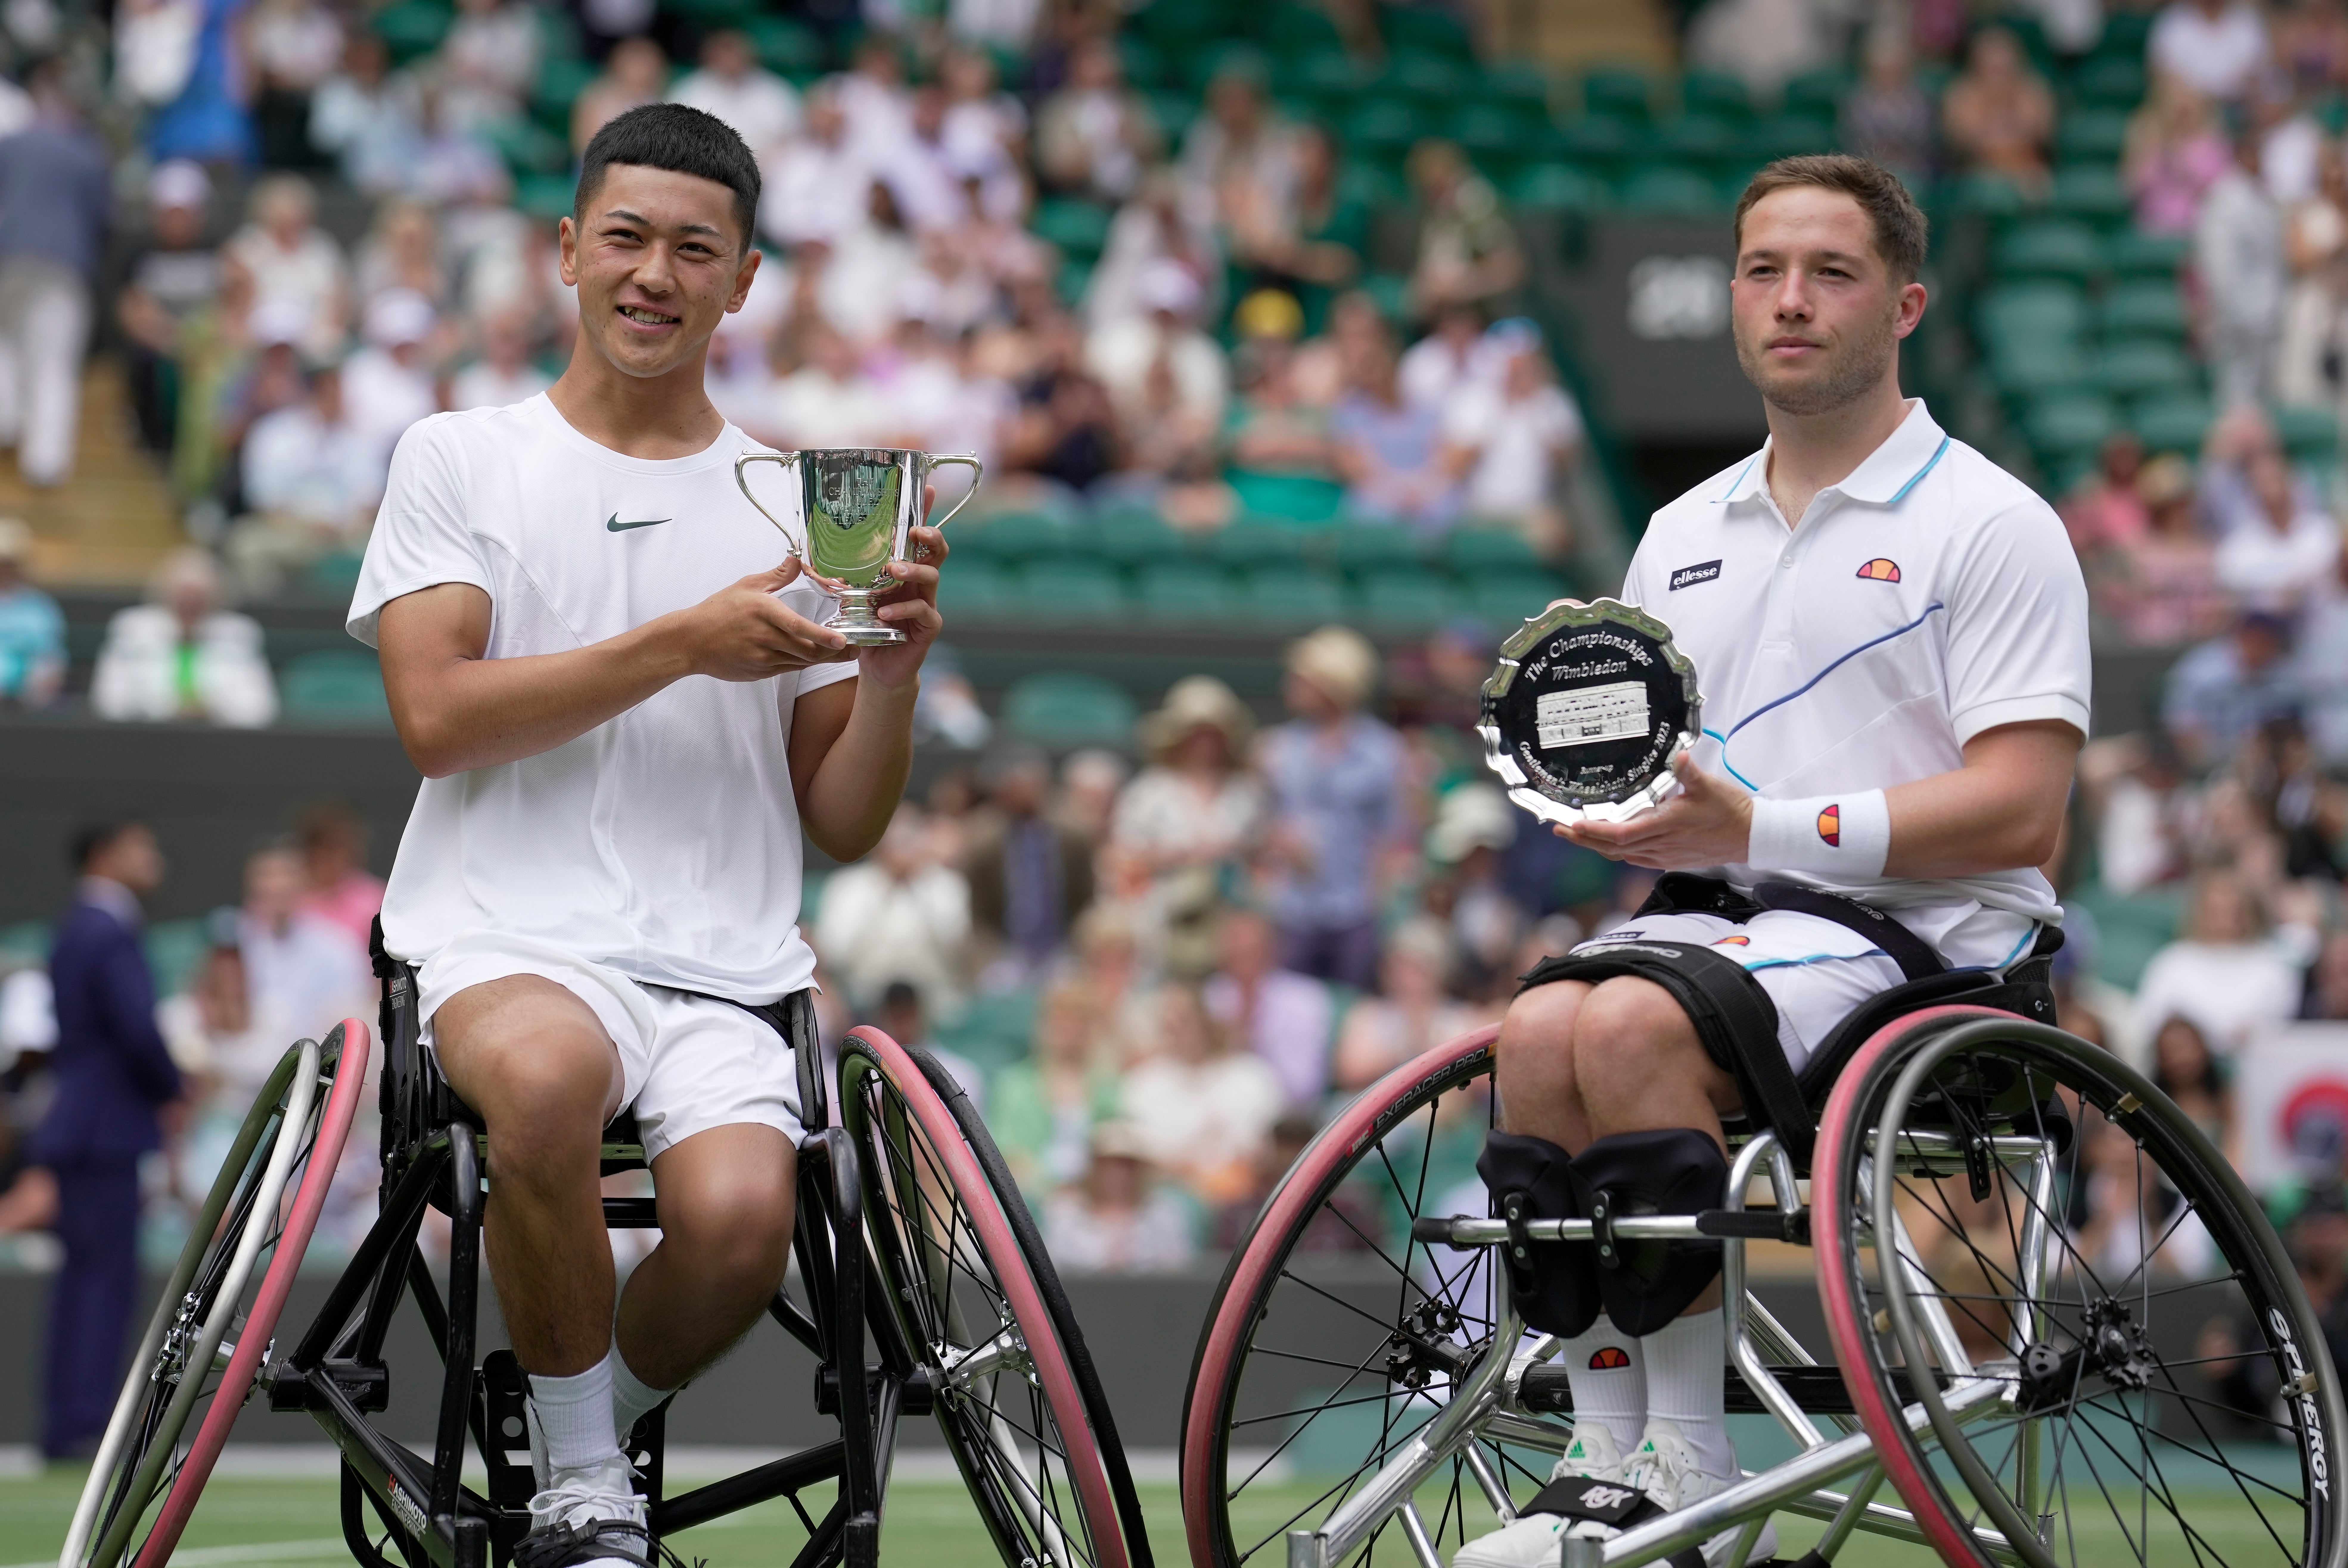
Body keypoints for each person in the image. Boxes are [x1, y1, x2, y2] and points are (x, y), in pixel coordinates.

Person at [1456, 155, 2088, 1568]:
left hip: (1931, 947)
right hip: (1726, 928)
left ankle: (1685, 1458)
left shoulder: (1990, 523)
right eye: (1760, 271)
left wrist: (1748, 831)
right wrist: (1614, 814)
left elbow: (2020, 813)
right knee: (1534, 1023)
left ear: (1903, 304)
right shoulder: (1677, 531)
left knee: (1614, 1017)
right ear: (1732, 300)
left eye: (1829, 271)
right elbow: (1657, 776)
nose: (1788, 299)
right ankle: (1598, 1450)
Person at [348, 104, 954, 1566]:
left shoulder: (803, 505)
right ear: (567, 252)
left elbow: (846, 819)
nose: (653, 274)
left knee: (747, 1224)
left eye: (696, 249)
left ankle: (574, 1423)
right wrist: (681, 640)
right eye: (624, 237)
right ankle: (579, 1499)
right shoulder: (460, 453)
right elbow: (437, 717)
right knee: (545, 1081)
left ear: (742, 279)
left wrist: (889, 672)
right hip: (504, 934)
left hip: (724, 962)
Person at [32, 821, 183, 1458]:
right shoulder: (107, 929)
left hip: (84, 1128)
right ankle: (83, 1425)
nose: (154, 860)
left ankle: (71, 1422)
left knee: (84, 1283)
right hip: (105, 1132)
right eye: (139, 848)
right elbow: (137, 1030)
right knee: (102, 1286)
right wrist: (174, 1085)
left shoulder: (79, 926)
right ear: (104, 857)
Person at [1257, 625, 1407, 991]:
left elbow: (1392, 838)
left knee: (1350, 1005)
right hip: (1293, 911)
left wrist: (1377, 911)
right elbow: (1264, 824)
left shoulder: (1382, 752)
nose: (1292, 686)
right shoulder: (1278, 750)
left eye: (1304, 679)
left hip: (1356, 912)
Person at [0, 58, 113, 489]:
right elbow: (105, 219)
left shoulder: (11, 144)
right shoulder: (89, 152)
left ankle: (7, 419)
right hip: (65, 267)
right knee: (52, 362)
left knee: (7, 339)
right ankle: (45, 462)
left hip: (8, 257)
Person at [2132, 867, 2315, 1059]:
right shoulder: (2174, 960)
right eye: (2216, 910)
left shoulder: (2271, 961)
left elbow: (2283, 1019)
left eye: (2232, 911)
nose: (2223, 920)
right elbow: (2149, 1021)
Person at [91, 548, 280, 728]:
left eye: (199, 597)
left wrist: (211, 709)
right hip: (142, 744)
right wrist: (169, 709)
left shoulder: (239, 633)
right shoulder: (132, 629)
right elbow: (110, 702)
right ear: (166, 594)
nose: (191, 603)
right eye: (184, 595)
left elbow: (261, 709)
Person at [963, 743, 1095, 986]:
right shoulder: (983, 839)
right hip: (1006, 952)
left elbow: (1087, 898)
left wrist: (1080, 948)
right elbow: (978, 915)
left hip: (1062, 949)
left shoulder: (1073, 834)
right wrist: (987, 961)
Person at [1201, 905, 1336, 1112]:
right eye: (1235, 955)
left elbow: (1304, 1086)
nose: (1242, 964)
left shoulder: (1305, 999)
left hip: (1287, 1118)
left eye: (1251, 953)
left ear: (1272, 952)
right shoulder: (1213, 995)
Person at [2199, 127, 2288, 408]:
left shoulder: (2261, 195)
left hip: (2267, 313)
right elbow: (2218, 263)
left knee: (2265, 397)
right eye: (2254, 154)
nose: (2260, 160)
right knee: (2234, 395)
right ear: (2241, 155)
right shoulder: (2226, 198)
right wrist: (2231, 310)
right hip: (2237, 315)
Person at [2162, 609, 2305, 768]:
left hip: (2263, 763)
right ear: (2239, 638)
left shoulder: (2286, 675)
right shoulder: (2200, 670)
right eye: (2253, 640)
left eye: (2266, 642)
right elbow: (2180, 728)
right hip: (2207, 760)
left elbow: (2297, 732)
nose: (2259, 648)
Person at [1938, 26, 2056, 193]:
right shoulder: (1961, 94)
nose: (1998, 76)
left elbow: (2037, 133)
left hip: (2027, 170)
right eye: (1991, 68)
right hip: (1976, 170)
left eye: (2004, 68)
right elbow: (1965, 138)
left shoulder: (2033, 91)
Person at [667, 29, 799, 171]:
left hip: (768, 169)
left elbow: (793, 139)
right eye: (724, 55)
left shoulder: (777, 91)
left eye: (736, 54)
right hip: (706, 166)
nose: (730, 60)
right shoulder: (688, 90)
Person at [2149, 0, 2273, 106]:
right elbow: (2164, 78)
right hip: (2188, 111)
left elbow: (2257, 74)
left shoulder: (2248, 21)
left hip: (2240, 109)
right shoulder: (2173, 22)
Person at [0, 516, 64, 708]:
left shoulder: (41, 607)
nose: (5, 570)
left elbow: (51, 660)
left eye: (10, 563)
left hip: (25, 704)